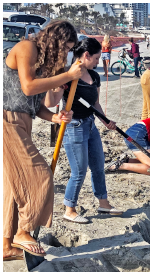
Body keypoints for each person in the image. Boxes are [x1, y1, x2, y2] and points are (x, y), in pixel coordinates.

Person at [3, 20, 84, 260]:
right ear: (57, 40)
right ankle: (23, 230)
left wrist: (56, 118)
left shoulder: (42, 61)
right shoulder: (27, 48)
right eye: (67, 48)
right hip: (6, 120)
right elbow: (28, 88)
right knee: (40, 175)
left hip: (22, 121)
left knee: (12, 188)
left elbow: (36, 105)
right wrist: (67, 75)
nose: (67, 53)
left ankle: (6, 247)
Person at [45, 38, 123, 223]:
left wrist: (105, 121)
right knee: (79, 170)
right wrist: (58, 84)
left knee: (98, 166)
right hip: (73, 127)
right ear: (86, 55)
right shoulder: (67, 74)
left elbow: (95, 104)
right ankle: (69, 209)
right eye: (96, 58)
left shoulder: (94, 76)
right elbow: (50, 102)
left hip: (90, 124)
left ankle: (103, 203)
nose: (98, 62)